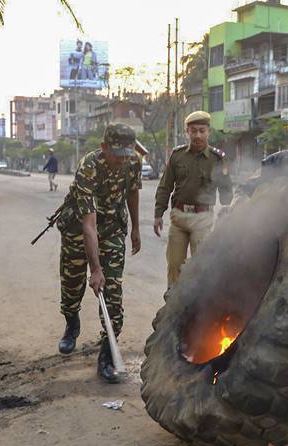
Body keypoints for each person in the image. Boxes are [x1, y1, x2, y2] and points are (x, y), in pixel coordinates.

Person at [54, 123, 142, 383]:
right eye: (117, 153)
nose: (122, 159)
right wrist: (95, 269)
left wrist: (136, 227)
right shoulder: (89, 167)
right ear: (104, 148)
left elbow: (133, 192)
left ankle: (106, 354)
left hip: (113, 228)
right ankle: (72, 323)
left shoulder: (133, 162)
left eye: (127, 153)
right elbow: (88, 225)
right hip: (78, 229)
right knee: (72, 285)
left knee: (113, 291)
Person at [154, 111, 232, 287]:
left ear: (208, 132)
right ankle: (171, 306)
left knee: (201, 267)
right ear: (187, 131)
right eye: (193, 130)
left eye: (202, 131)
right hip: (179, 218)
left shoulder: (218, 158)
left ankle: (198, 306)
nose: (198, 135)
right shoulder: (177, 155)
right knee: (174, 266)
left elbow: (226, 188)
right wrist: (158, 213)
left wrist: (227, 209)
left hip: (202, 219)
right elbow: (165, 186)